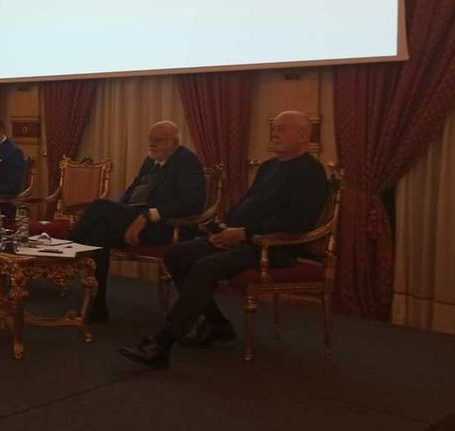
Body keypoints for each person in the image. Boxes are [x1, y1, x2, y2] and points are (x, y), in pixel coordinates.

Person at [119, 110, 328, 371]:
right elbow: (247, 204)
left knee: (206, 267)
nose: (274, 134)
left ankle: (162, 344)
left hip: (273, 247)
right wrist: (223, 226)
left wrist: (244, 233)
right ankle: (216, 324)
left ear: (303, 136)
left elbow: (299, 221)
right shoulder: (269, 167)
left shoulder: (312, 172)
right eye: (274, 128)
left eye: (282, 129)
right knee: (176, 254)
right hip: (241, 237)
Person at [68, 121, 205, 322]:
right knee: (98, 233)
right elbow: (131, 193)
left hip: (168, 227)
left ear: (174, 142)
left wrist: (148, 216)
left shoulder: (186, 161)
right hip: (138, 220)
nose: (152, 145)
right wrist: (120, 216)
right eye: (150, 140)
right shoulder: (150, 161)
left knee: (99, 205)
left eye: (158, 140)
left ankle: (68, 252)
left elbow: (191, 204)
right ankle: (97, 307)